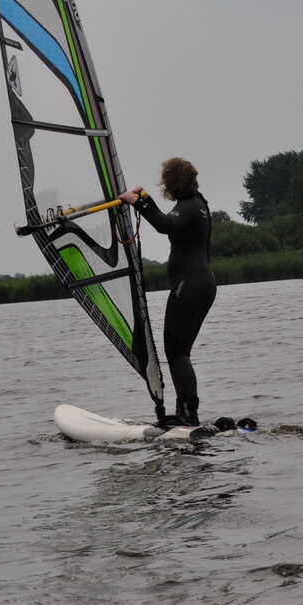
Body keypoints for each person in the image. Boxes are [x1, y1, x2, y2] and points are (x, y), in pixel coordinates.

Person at [119, 157, 215, 428]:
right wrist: (146, 200)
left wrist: (137, 203)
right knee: (180, 351)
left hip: (190, 286)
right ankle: (186, 411)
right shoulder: (197, 203)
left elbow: (166, 226)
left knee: (176, 352)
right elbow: (170, 220)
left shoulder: (188, 207)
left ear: (173, 182)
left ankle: (188, 414)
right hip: (202, 284)